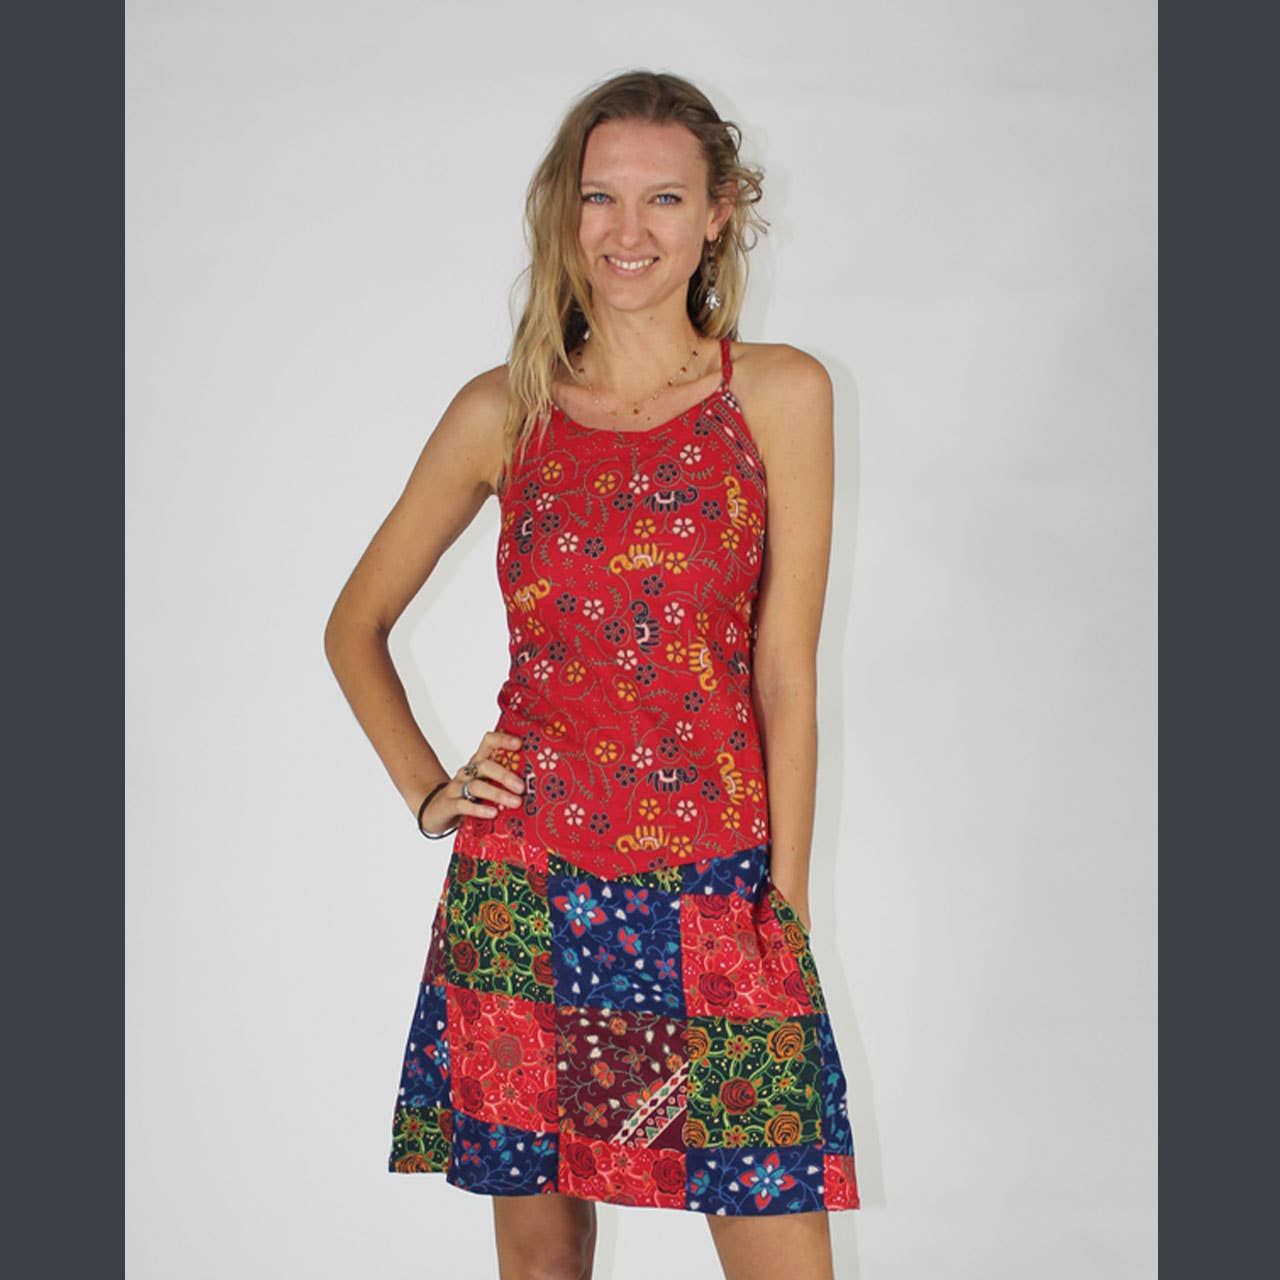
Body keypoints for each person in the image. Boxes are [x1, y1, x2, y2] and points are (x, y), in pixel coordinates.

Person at [324, 69, 859, 1280]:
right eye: (599, 196)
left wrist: (781, 902)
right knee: (542, 1256)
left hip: (718, 885)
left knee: (781, 1251)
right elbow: (355, 623)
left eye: (662, 197)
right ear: (562, 213)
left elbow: (783, 673)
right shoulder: (502, 413)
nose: (628, 230)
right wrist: (430, 790)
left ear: (717, 213)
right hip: (529, 887)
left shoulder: (777, 393)